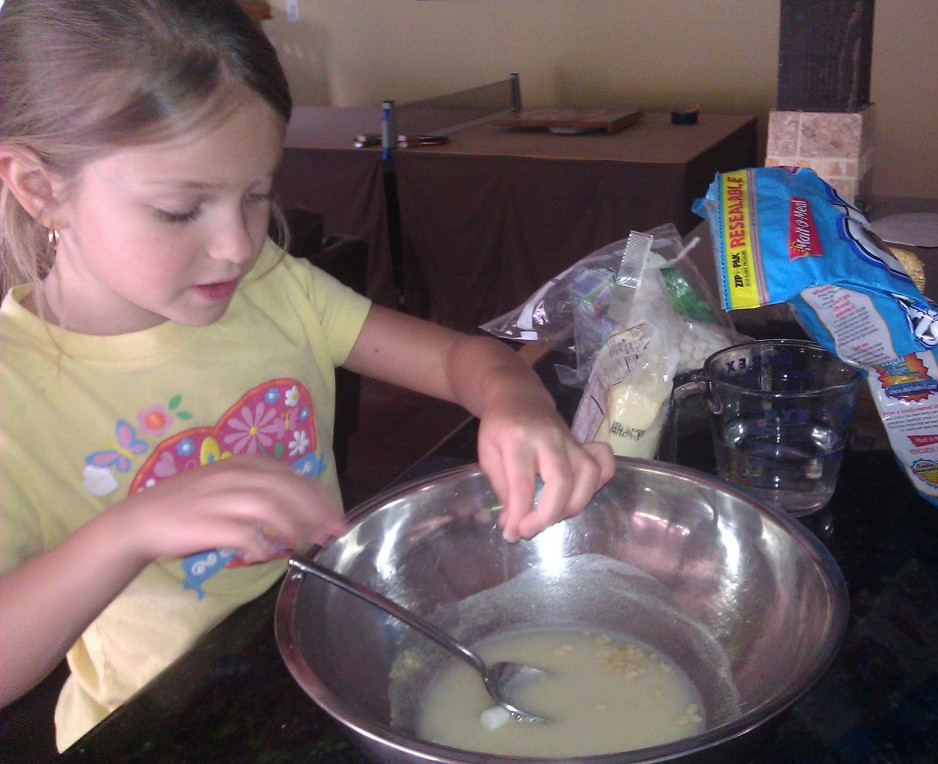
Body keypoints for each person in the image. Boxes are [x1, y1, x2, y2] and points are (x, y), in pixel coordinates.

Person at [0, 0, 615, 751]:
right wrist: (127, 532)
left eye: (257, 193)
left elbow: (463, 360)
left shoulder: (270, 288)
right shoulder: (15, 392)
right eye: (178, 209)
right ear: (39, 186)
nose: (235, 244)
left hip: (317, 659)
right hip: (161, 730)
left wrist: (515, 401)